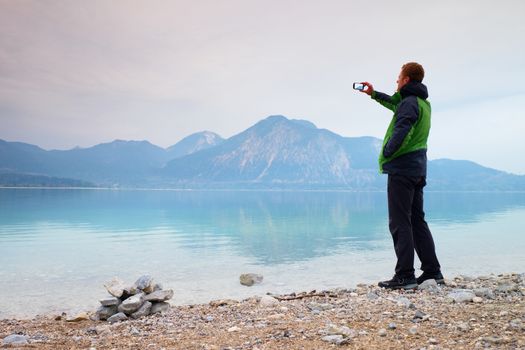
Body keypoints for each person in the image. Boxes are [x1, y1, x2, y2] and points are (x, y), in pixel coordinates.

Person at [359, 62, 443, 289]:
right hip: (418, 169)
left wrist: (388, 152)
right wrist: (373, 94)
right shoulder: (423, 104)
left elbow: (402, 130)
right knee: (417, 220)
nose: (396, 81)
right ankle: (433, 272)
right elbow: (395, 104)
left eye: (398, 77)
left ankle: (405, 275)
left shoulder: (408, 104)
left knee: (399, 222)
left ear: (406, 80)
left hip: (402, 169)